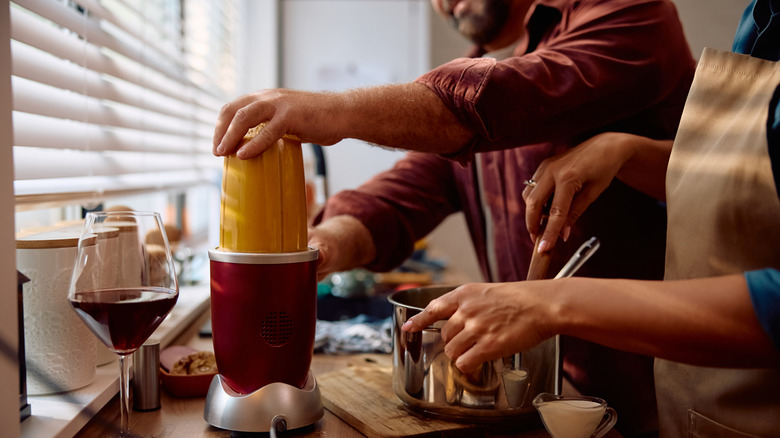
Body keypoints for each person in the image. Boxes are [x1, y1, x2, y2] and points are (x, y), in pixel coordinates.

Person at [213, 0, 696, 434]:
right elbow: (401, 196)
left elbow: (508, 99)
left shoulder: (631, 13)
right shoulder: (481, 71)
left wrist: (334, 111)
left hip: (653, 397)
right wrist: (326, 245)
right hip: (531, 397)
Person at [402, 0, 780, 436]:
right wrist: (630, 151)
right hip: (703, 407)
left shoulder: (635, 16)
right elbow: (747, 189)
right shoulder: (758, 15)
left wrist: (551, 304)